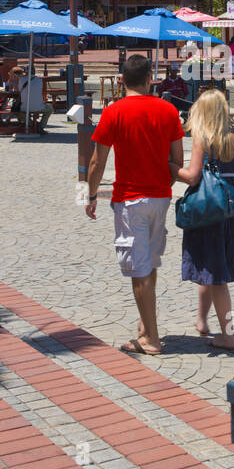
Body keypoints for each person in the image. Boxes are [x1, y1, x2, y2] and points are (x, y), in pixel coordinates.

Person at [85, 54, 184, 356]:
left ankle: (150, 339)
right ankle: (145, 325)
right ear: (150, 78)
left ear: (121, 80)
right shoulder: (168, 110)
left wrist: (90, 196)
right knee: (150, 263)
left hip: (129, 199)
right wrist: (163, 186)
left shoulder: (114, 112)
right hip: (161, 197)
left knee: (139, 269)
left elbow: (96, 161)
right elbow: (178, 161)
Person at [175, 90, 234, 351]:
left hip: (208, 207)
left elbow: (193, 175)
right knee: (210, 265)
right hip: (230, 206)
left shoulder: (202, 138)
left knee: (216, 275)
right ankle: (202, 321)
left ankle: (228, 334)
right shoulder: (233, 139)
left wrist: (169, 168)